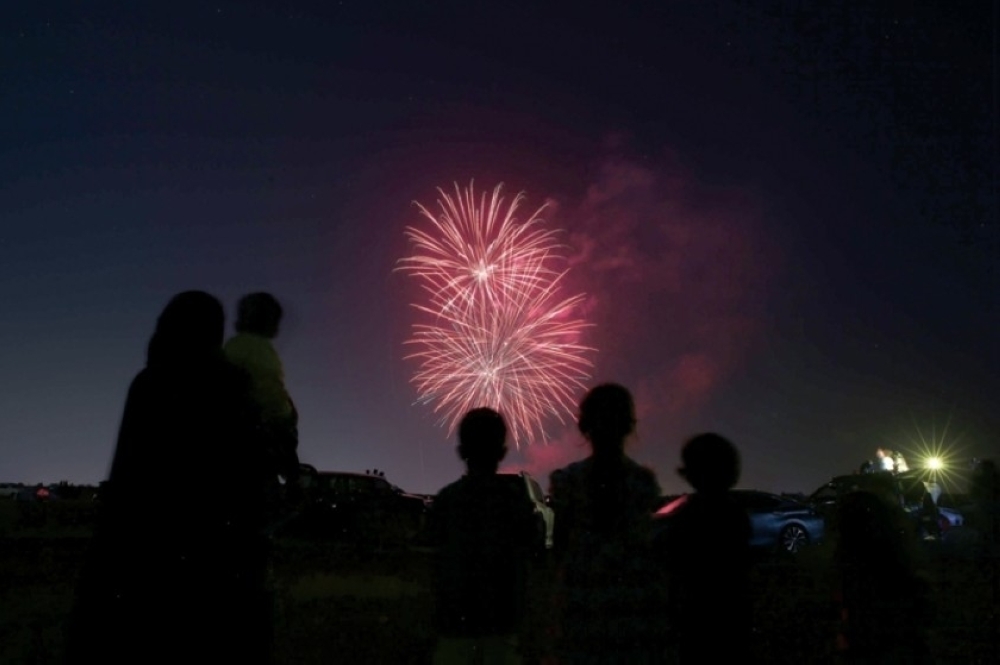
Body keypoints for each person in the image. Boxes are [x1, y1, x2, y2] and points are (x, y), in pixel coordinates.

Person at [65, 291, 275, 665]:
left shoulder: (147, 384)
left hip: (140, 563)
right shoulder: (235, 387)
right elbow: (247, 485)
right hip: (213, 570)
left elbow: (126, 483)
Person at [548, 383, 665, 664]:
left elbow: (560, 551)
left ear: (584, 426)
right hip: (631, 615)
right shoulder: (643, 483)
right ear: (629, 425)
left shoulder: (566, 482)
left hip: (582, 613)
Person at [428, 407, 539, 665]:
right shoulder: (515, 502)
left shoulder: (447, 500)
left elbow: (436, 555)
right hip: (502, 619)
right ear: (501, 452)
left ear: (461, 452)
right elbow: (529, 550)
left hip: (455, 620)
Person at [657, 433, 752, 664]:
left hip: (692, 618)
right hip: (730, 616)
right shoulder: (736, 514)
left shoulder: (685, 516)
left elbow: (672, 567)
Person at [223, 292, 300, 503]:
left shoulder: (236, 345)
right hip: (263, 426)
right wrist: (287, 414)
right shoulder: (255, 349)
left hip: (259, 425)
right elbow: (268, 388)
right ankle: (292, 491)